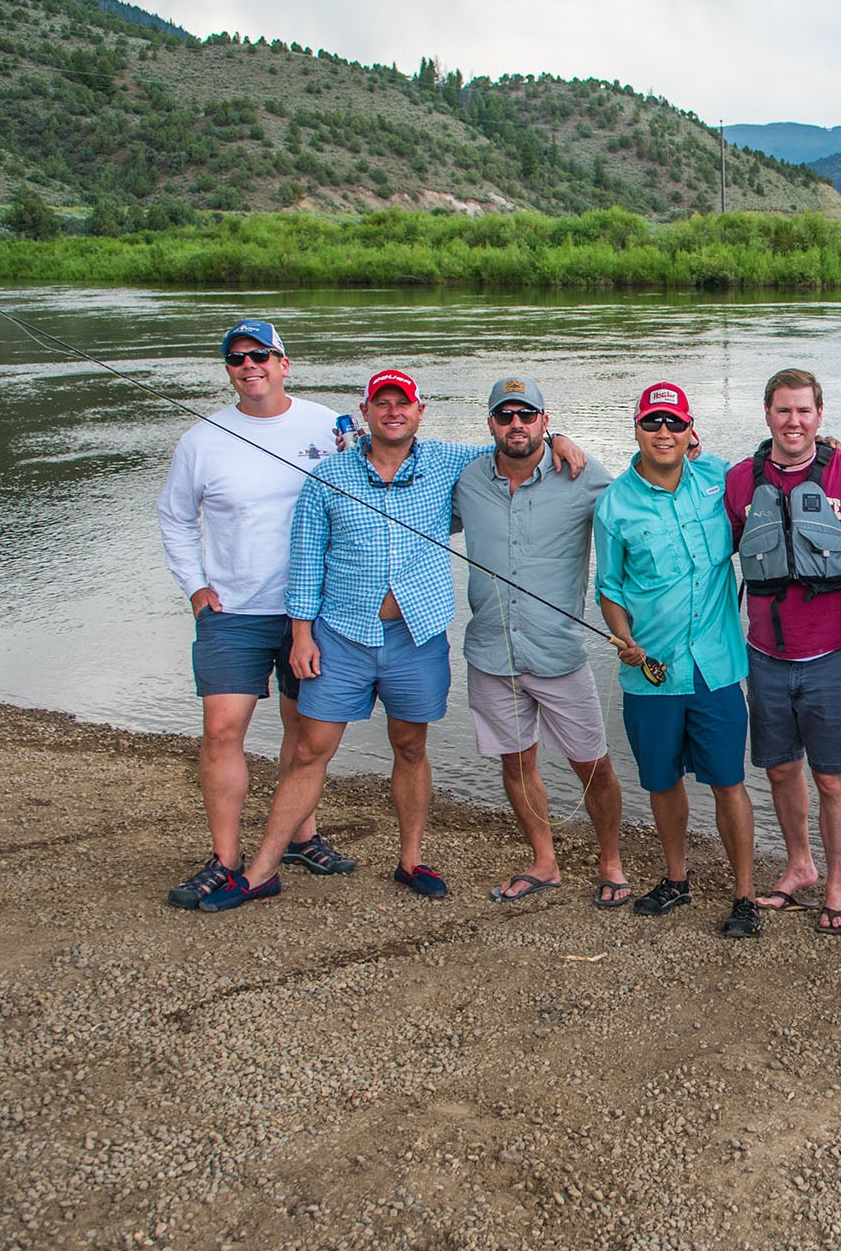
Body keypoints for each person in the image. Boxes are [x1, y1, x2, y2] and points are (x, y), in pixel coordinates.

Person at [195, 368, 583, 911]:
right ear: (366, 413)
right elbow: (305, 561)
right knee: (310, 750)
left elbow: (515, 443)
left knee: (410, 746)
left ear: (419, 412)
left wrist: (560, 437)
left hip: (416, 637)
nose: (394, 412)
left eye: (404, 403)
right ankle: (260, 871)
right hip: (340, 635)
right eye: (383, 404)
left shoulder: (452, 463)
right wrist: (302, 635)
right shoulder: (326, 477)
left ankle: (410, 860)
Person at [156, 319, 353, 908]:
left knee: (304, 732)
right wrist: (195, 587)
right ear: (229, 371)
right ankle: (225, 857)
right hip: (232, 610)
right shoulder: (202, 439)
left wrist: (555, 442)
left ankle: (301, 835)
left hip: (311, 610)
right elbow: (173, 517)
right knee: (221, 730)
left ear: (284, 362)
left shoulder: (330, 426)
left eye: (262, 355)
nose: (251, 365)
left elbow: (389, 468)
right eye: (238, 358)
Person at [451, 377, 629, 908]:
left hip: (559, 653)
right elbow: (404, 460)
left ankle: (611, 861)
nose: (516, 426)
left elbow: (646, 495)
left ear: (544, 422)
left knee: (594, 764)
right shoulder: (465, 479)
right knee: (516, 763)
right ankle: (544, 861)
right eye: (505, 417)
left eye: (527, 416)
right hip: (490, 651)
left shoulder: (583, 475)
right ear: (491, 425)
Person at [596, 382, 762, 938]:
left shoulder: (721, 479)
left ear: (691, 431)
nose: (663, 433)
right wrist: (621, 635)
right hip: (650, 672)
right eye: (652, 423)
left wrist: (827, 446)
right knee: (661, 782)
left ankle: (744, 895)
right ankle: (676, 879)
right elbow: (610, 589)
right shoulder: (613, 503)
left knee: (728, 781)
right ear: (637, 430)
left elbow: (785, 461)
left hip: (715, 668)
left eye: (673, 423)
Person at [722, 369, 841, 922]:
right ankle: (800, 866)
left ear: (821, 415)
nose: (794, 422)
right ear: (767, 415)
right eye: (783, 411)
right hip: (766, 653)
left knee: (830, 776)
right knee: (779, 769)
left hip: (834, 652)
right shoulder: (740, 479)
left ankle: (836, 886)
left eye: (804, 411)